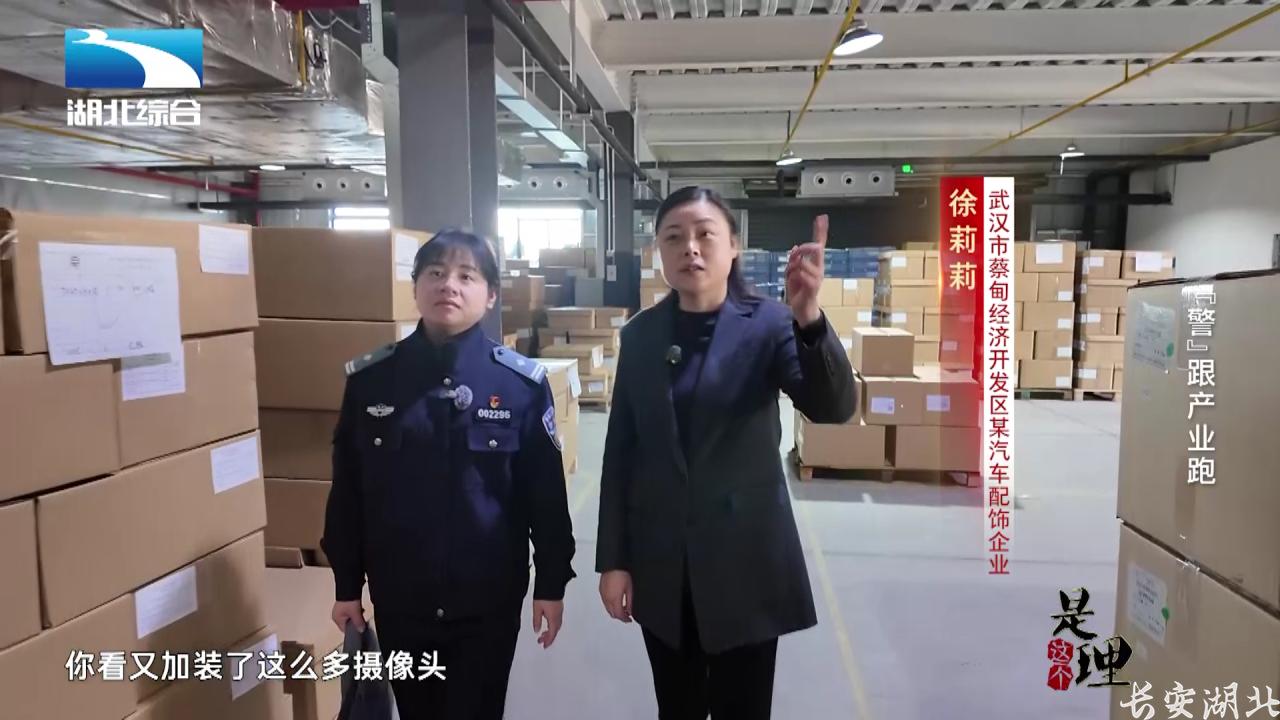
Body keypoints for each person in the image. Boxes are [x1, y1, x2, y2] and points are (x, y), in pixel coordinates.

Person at [595, 186, 857, 719]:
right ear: (660, 251)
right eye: (674, 237)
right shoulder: (641, 337)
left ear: (733, 246)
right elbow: (621, 452)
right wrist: (614, 561)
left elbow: (833, 408)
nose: (690, 247)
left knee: (745, 706)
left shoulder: (770, 323)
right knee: (678, 705)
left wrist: (809, 318)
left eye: (704, 234)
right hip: (664, 563)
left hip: (745, 562)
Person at [322, 229, 576, 720]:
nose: (449, 286)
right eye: (436, 273)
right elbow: (348, 494)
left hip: (488, 599)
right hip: (402, 596)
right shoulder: (372, 382)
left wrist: (551, 582)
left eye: (466, 276)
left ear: (491, 294)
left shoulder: (519, 386)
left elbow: (545, 496)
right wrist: (346, 584)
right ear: (416, 287)